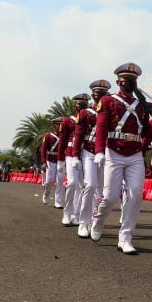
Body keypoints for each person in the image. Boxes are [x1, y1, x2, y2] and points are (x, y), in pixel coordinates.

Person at [90, 62, 152, 255]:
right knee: (110, 197)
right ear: (118, 81)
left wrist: (144, 147)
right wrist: (99, 151)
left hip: (134, 154)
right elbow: (101, 127)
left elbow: (148, 130)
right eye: (126, 80)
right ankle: (98, 221)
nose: (129, 83)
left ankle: (125, 238)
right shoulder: (109, 101)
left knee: (134, 196)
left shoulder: (141, 104)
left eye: (133, 80)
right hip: (113, 152)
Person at [72, 80, 110, 238]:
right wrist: (75, 156)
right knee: (90, 184)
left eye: (102, 93)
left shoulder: (111, 111)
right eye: (96, 93)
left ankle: (95, 219)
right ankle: (83, 221)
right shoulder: (85, 113)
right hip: (89, 152)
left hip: (106, 153)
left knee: (101, 189)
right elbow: (78, 136)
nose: (98, 96)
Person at [58, 94, 88, 227]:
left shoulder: (88, 118)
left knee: (82, 186)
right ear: (75, 105)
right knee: (72, 183)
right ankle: (67, 212)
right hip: (70, 154)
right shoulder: (67, 121)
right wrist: (60, 160)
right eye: (79, 104)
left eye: (84, 103)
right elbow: (62, 141)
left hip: (84, 154)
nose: (81, 106)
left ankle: (76, 214)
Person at [41, 117, 65, 208]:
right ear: (54, 125)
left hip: (61, 160)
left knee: (60, 181)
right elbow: (43, 150)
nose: (59, 126)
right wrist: (43, 162)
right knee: (49, 181)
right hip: (50, 161)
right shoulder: (48, 136)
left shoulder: (65, 135)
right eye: (58, 125)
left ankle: (58, 202)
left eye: (60, 125)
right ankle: (46, 194)